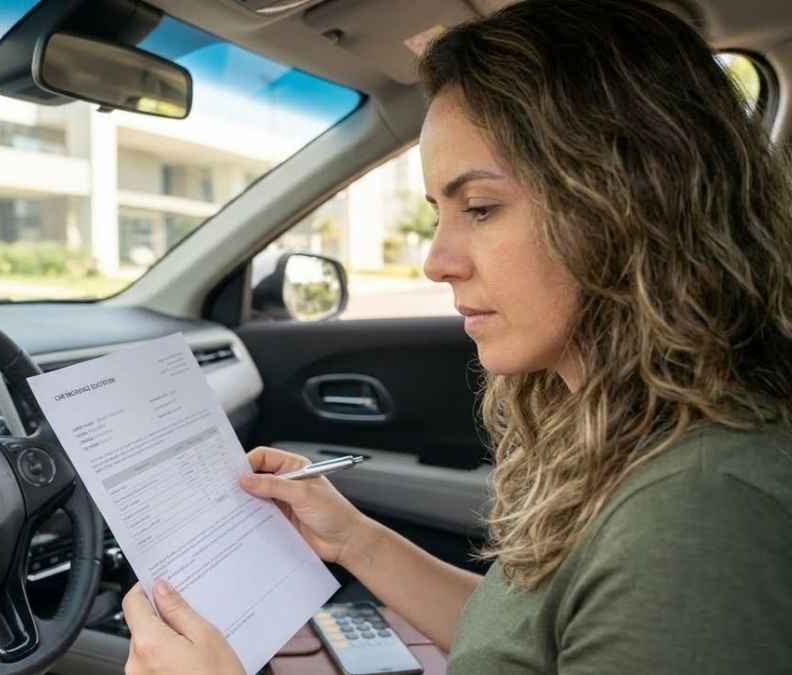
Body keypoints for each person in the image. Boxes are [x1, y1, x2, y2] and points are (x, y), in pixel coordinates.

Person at [120, 0, 792, 673]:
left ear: (630, 202)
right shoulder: (631, 429)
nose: (437, 261)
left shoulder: (702, 518)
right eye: (440, 213)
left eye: (480, 207)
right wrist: (354, 539)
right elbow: (524, 641)